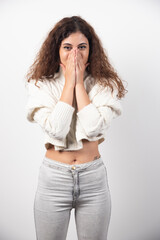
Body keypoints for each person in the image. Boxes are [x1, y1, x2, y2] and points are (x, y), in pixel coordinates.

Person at [25, 15, 127, 240]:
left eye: (82, 47)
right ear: (57, 50)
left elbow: (92, 129)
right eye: (67, 47)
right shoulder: (41, 84)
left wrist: (79, 84)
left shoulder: (103, 84)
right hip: (54, 180)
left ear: (91, 50)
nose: (75, 54)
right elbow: (56, 131)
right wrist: (69, 83)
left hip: (93, 180)